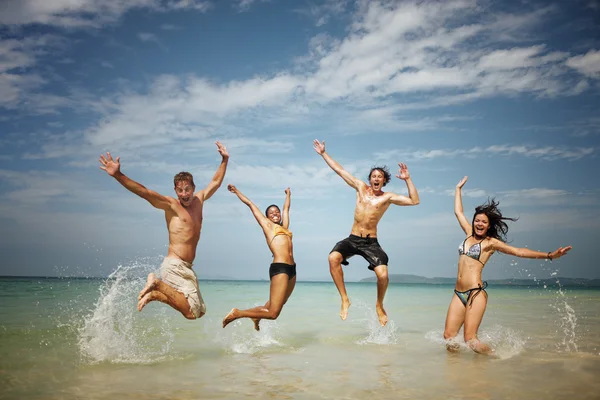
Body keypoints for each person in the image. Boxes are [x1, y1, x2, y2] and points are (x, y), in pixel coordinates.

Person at [98, 141, 229, 320]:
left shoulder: (199, 200)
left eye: (187, 189)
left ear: (194, 188)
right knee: (191, 312)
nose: (184, 194)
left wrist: (224, 160)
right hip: (174, 265)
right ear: (175, 191)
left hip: (187, 267)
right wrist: (118, 175)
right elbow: (145, 192)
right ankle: (157, 284)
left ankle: (155, 293)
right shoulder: (171, 205)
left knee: (201, 311)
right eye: (180, 190)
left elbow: (215, 182)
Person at [444, 176, 572, 354]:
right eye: (477, 220)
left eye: (484, 222)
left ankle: (495, 357)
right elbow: (458, 212)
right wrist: (458, 190)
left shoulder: (490, 243)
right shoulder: (467, 233)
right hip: (458, 293)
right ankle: (459, 374)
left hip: (475, 293)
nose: (479, 224)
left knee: (471, 341)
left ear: (488, 226)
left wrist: (550, 255)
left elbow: (519, 251)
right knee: (449, 338)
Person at [313, 139, 420, 326]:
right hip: (353, 239)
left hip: (371, 243)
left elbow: (414, 201)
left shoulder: (387, 198)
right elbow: (339, 170)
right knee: (332, 258)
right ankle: (345, 299)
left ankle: (379, 305)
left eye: (380, 177)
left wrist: (408, 179)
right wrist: (323, 154)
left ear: (384, 181)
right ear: (370, 179)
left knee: (383, 275)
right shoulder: (360, 188)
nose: (376, 179)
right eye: (374, 176)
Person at [222, 185, 296, 330]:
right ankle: (238, 313)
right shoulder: (268, 226)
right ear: (267, 217)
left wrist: (288, 194)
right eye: (271, 213)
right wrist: (237, 191)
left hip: (292, 269)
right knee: (273, 313)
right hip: (280, 268)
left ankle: (256, 316)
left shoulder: (285, 227)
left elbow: (286, 208)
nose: (275, 214)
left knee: (278, 304)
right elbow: (251, 204)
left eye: (277, 212)